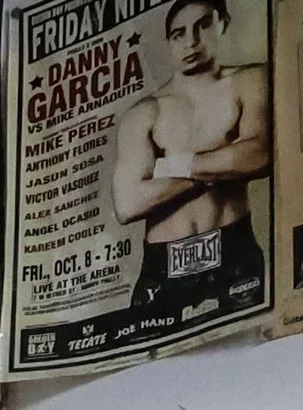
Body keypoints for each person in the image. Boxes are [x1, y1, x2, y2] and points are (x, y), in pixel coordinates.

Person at [111, 0, 269, 320]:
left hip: (233, 249)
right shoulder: (145, 112)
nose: (191, 42)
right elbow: (127, 204)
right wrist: (223, 166)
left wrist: (169, 166)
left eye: (203, 25)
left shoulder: (249, 81)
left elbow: (258, 155)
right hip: (163, 264)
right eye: (179, 34)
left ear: (222, 23)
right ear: (169, 42)